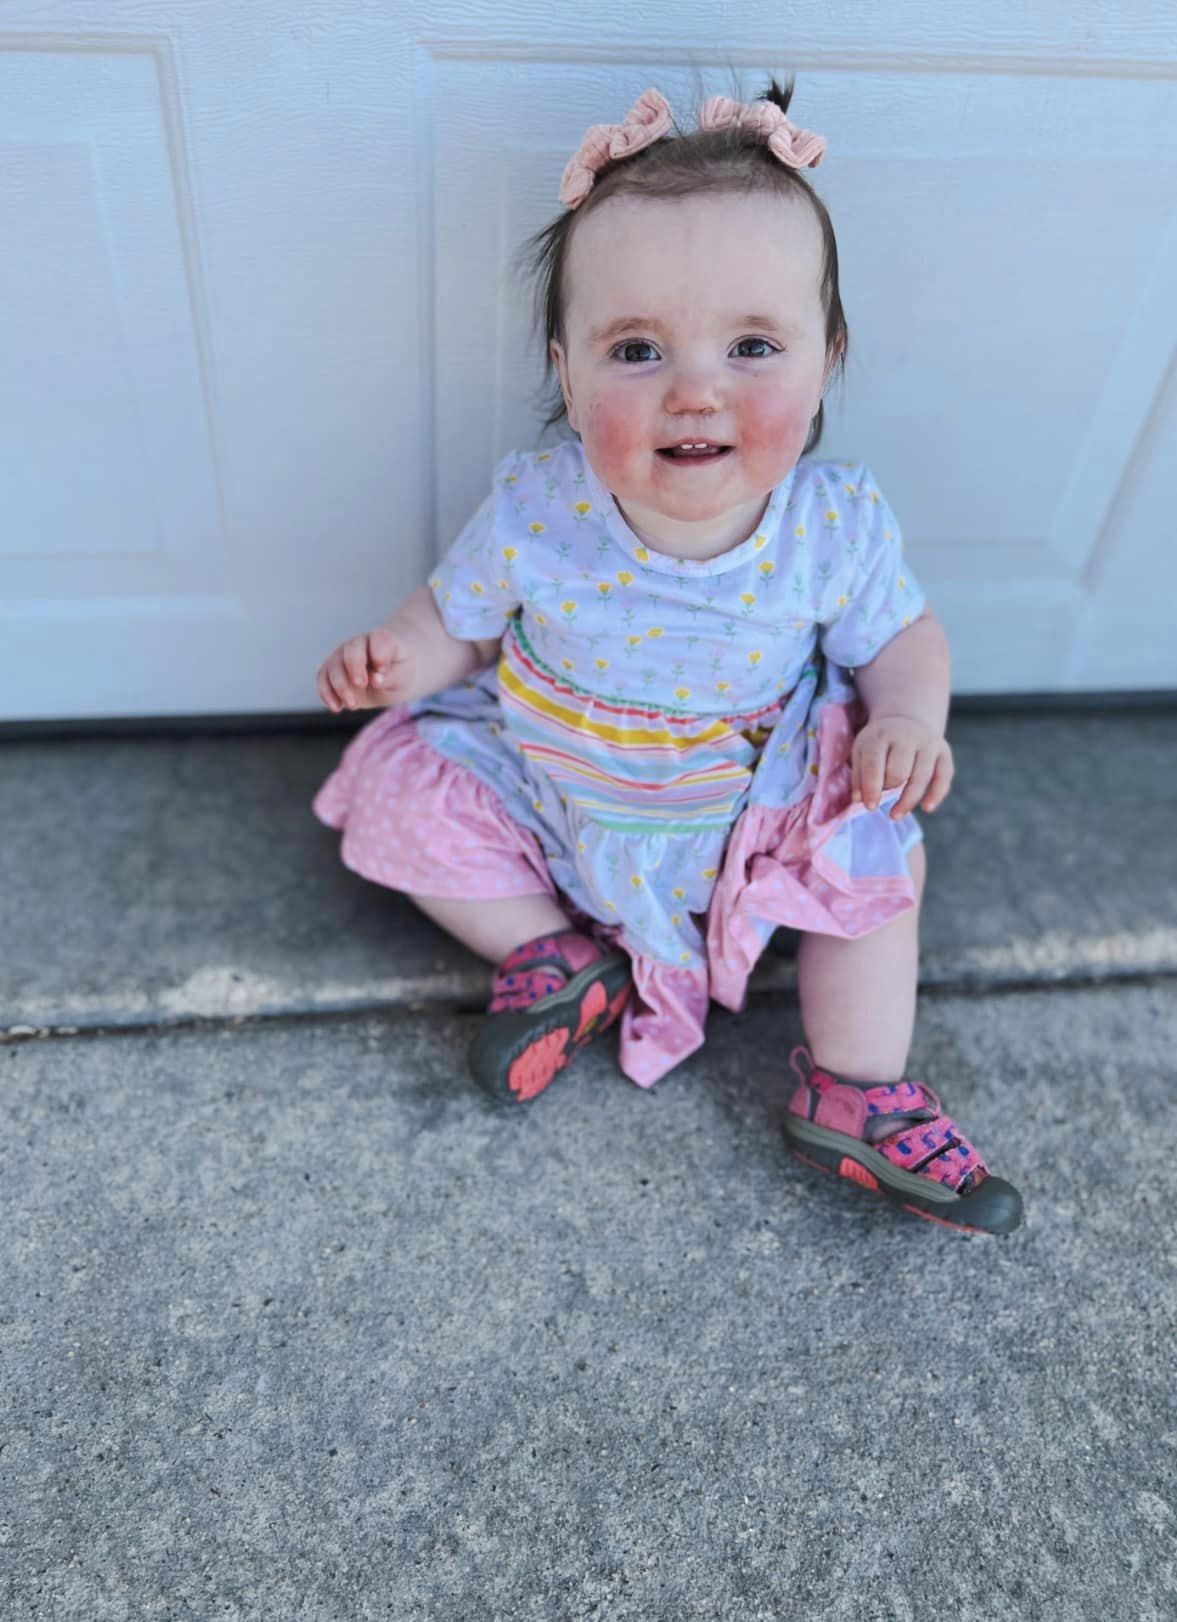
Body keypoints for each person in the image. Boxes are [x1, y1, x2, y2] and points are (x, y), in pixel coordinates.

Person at [312, 78, 1023, 1237]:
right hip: (555, 788)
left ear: (827, 356)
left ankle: (855, 1079)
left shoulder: (828, 526)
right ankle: (548, 952)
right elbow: (458, 615)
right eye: (637, 348)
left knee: (877, 849)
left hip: (747, 803)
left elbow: (901, 635)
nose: (697, 388)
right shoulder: (538, 507)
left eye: (752, 343)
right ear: (567, 368)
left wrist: (906, 714)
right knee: (393, 784)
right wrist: (399, 655)